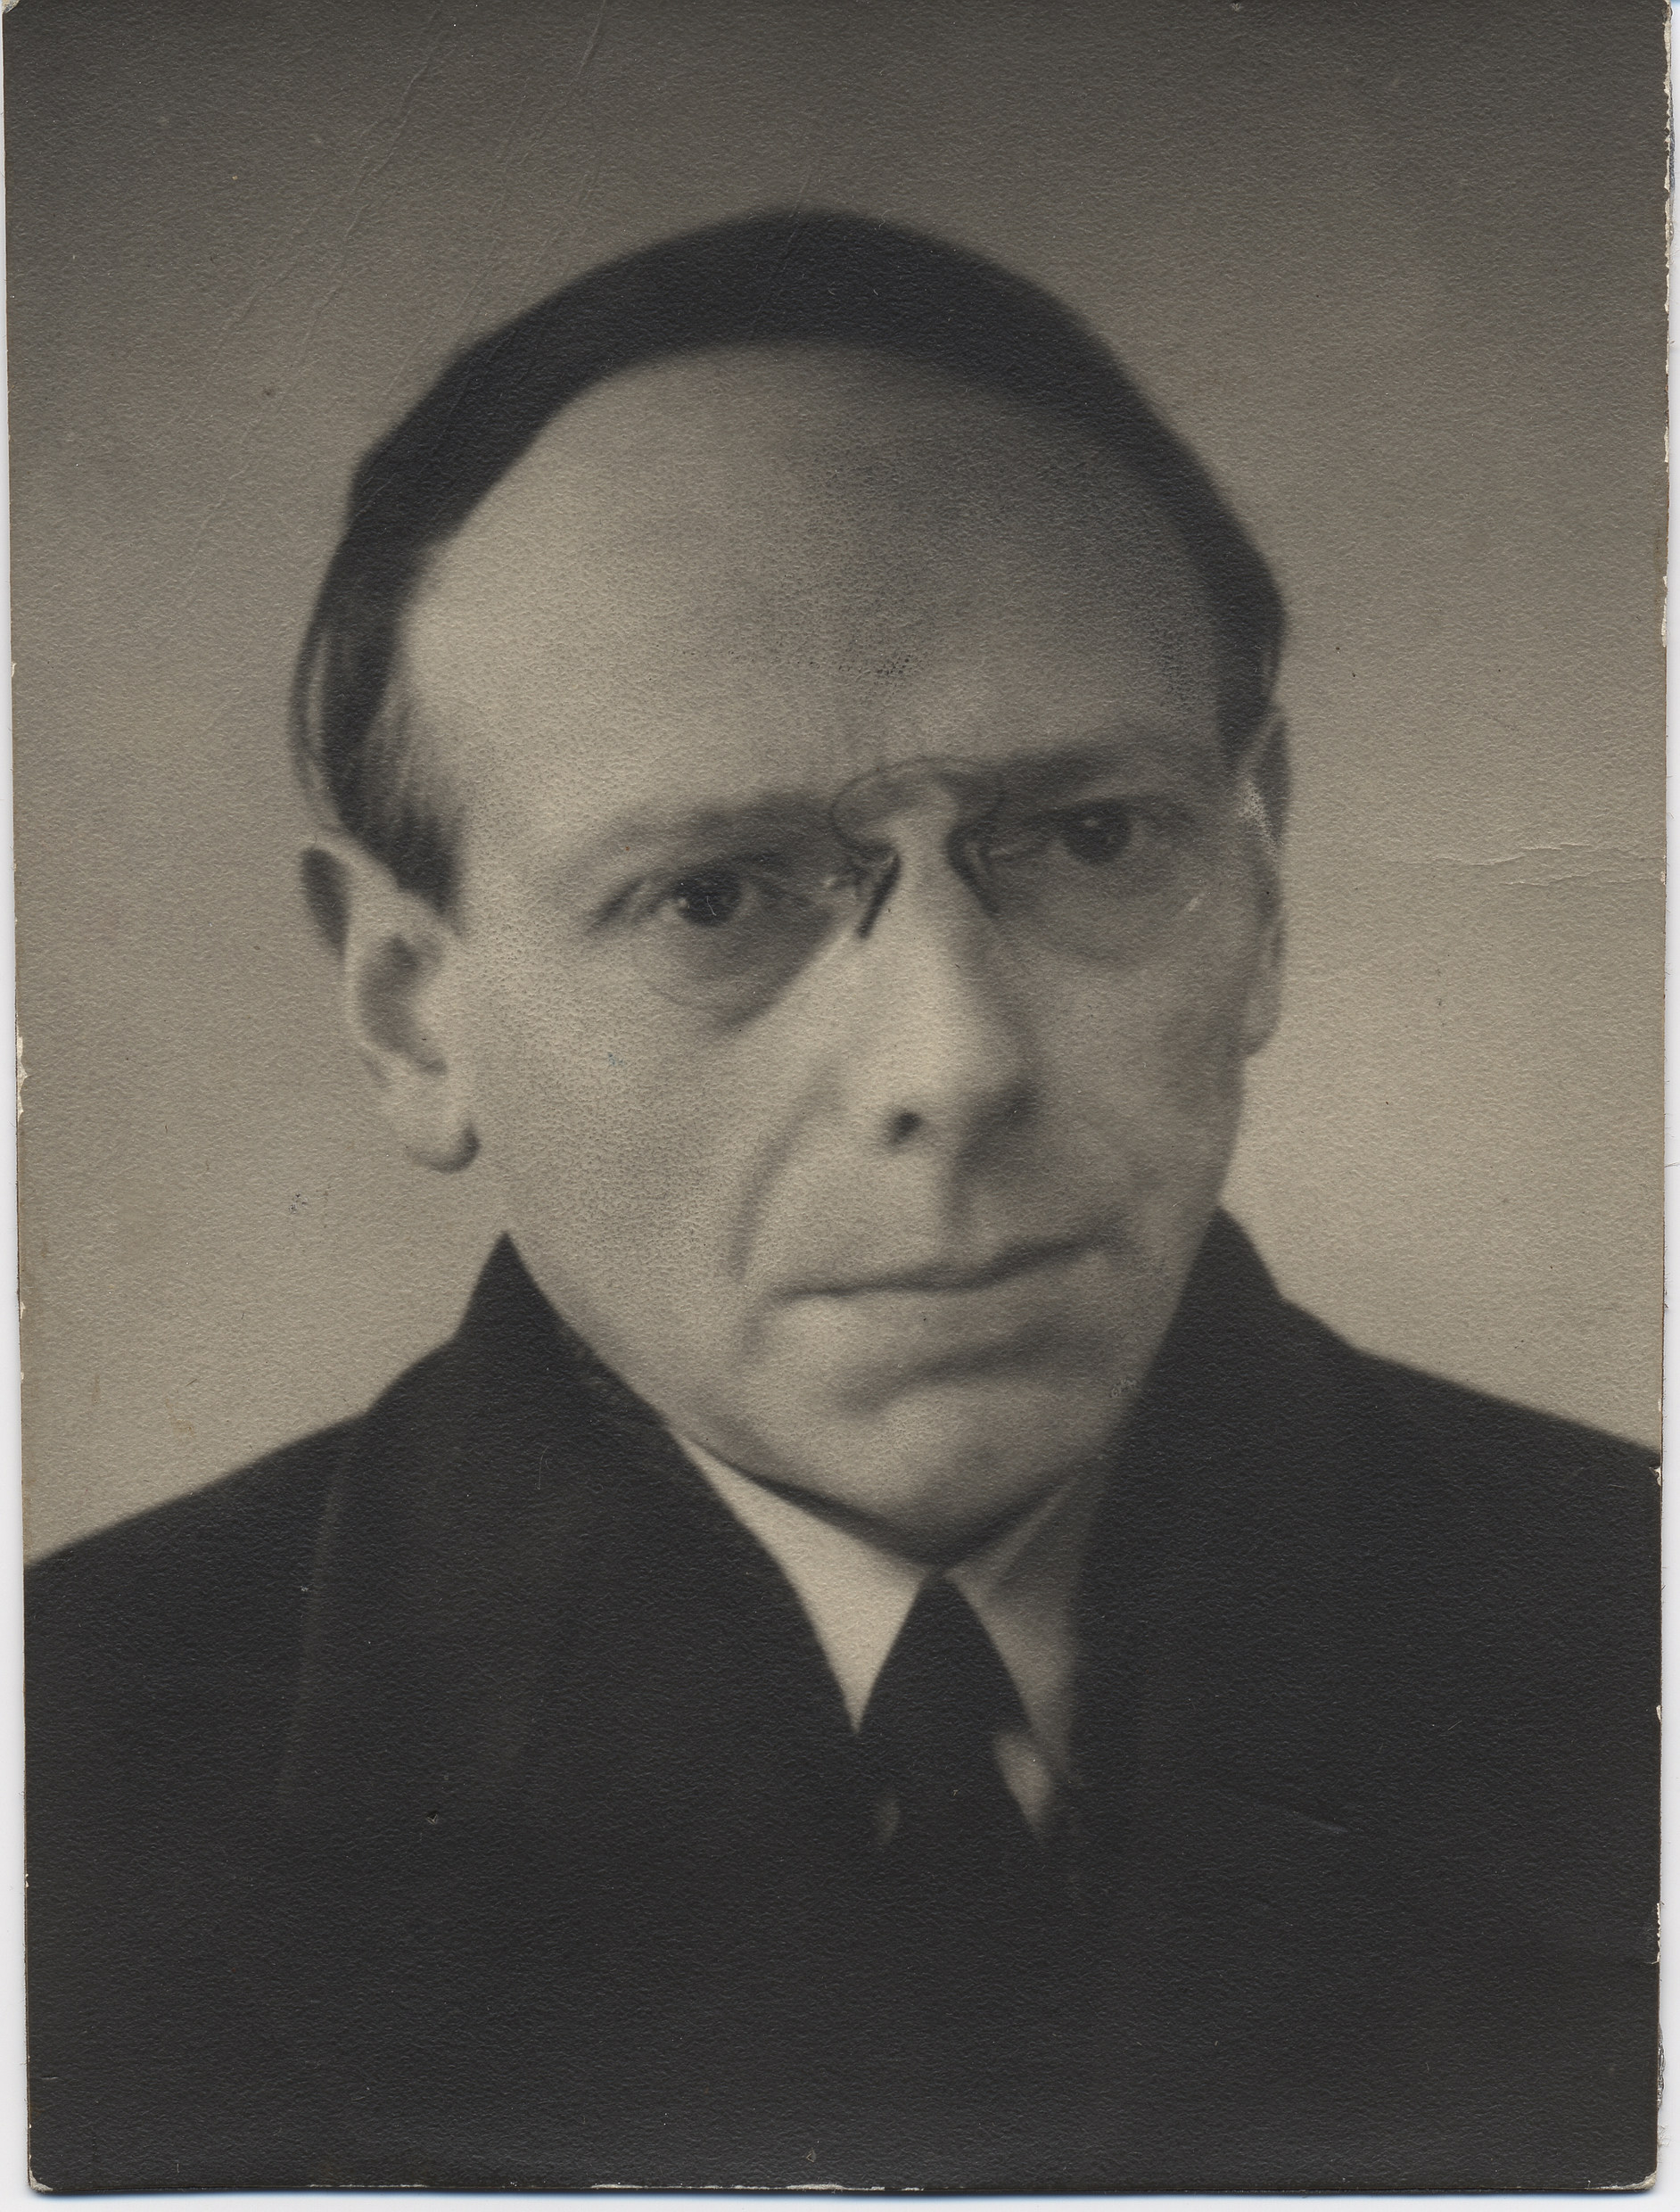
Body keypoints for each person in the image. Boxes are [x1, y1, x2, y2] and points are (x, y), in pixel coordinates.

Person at [26, 210, 1657, 2193]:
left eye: (1089, 839)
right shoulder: (60, 1787)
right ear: (407, 1008)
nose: (953, 1067)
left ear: (1259, 885)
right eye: (716, 894)